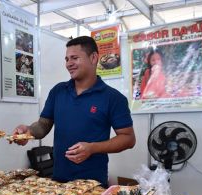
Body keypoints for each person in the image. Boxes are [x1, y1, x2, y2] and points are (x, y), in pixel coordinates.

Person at [13, 36, 135, 187]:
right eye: (66, 59)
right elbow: (43, 125)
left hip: (92, 184)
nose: (69, 64)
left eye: (74, 58)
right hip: (59, 181)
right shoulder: (58, 91)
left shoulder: (113, 98)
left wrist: (92, 148)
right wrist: (28, 131)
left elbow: (128, 139)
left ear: (93, 58)